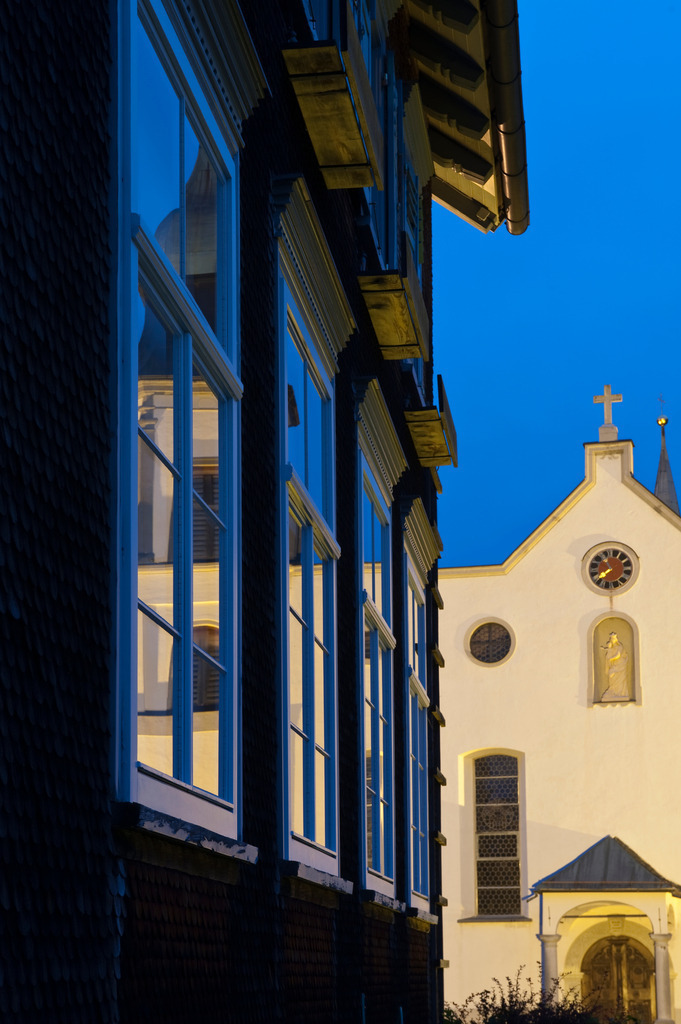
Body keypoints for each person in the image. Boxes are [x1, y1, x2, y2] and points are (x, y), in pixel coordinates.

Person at [601, 631, 630, 700]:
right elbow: (609, 651)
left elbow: (618, 655)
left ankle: (620, 693)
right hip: (615, 664)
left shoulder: (619, 646)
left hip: (620, 664)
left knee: (619, 678)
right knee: (612, 677)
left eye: (613, 639)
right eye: (611, 639)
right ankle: (613, 691)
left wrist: (611, 659)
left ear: (616, 639)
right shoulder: (612, 647)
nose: (612, 641)